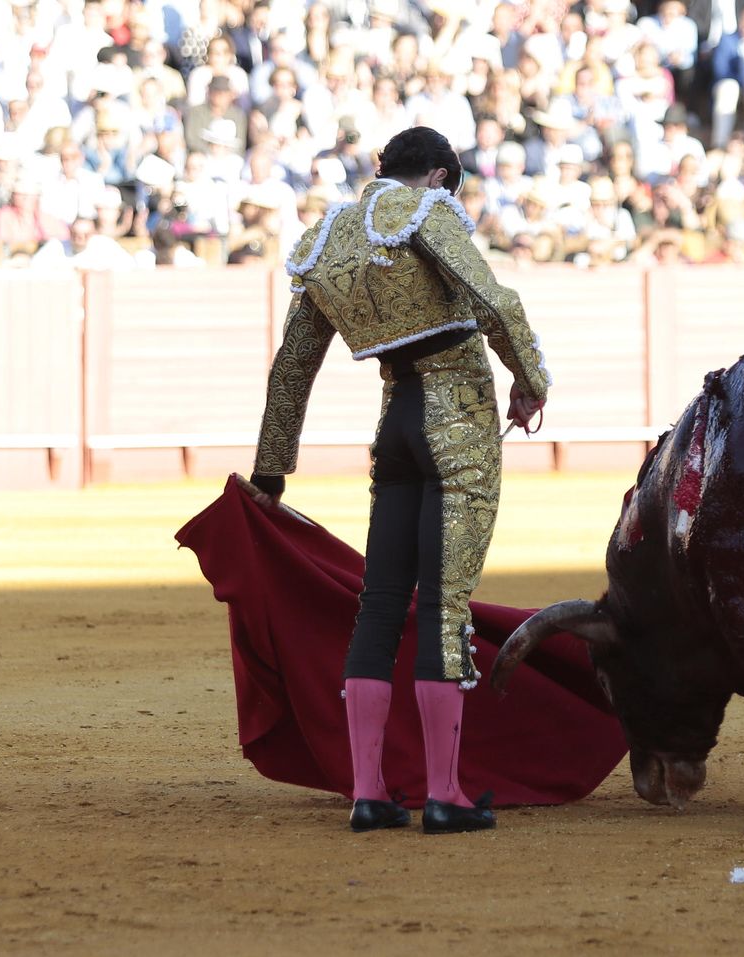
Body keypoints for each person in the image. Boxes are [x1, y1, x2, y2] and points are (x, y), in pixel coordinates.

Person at [247, 126, 550, 835]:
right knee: (444, 609)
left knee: (378, 607)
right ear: (440, 175)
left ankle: (368, 793)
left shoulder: (330, 237)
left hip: (395, 427)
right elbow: (496, 303)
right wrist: (530, 382)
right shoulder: (428, 210)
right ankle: (443, 794)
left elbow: (293, 367)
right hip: (455, 427)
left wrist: (271, 469)